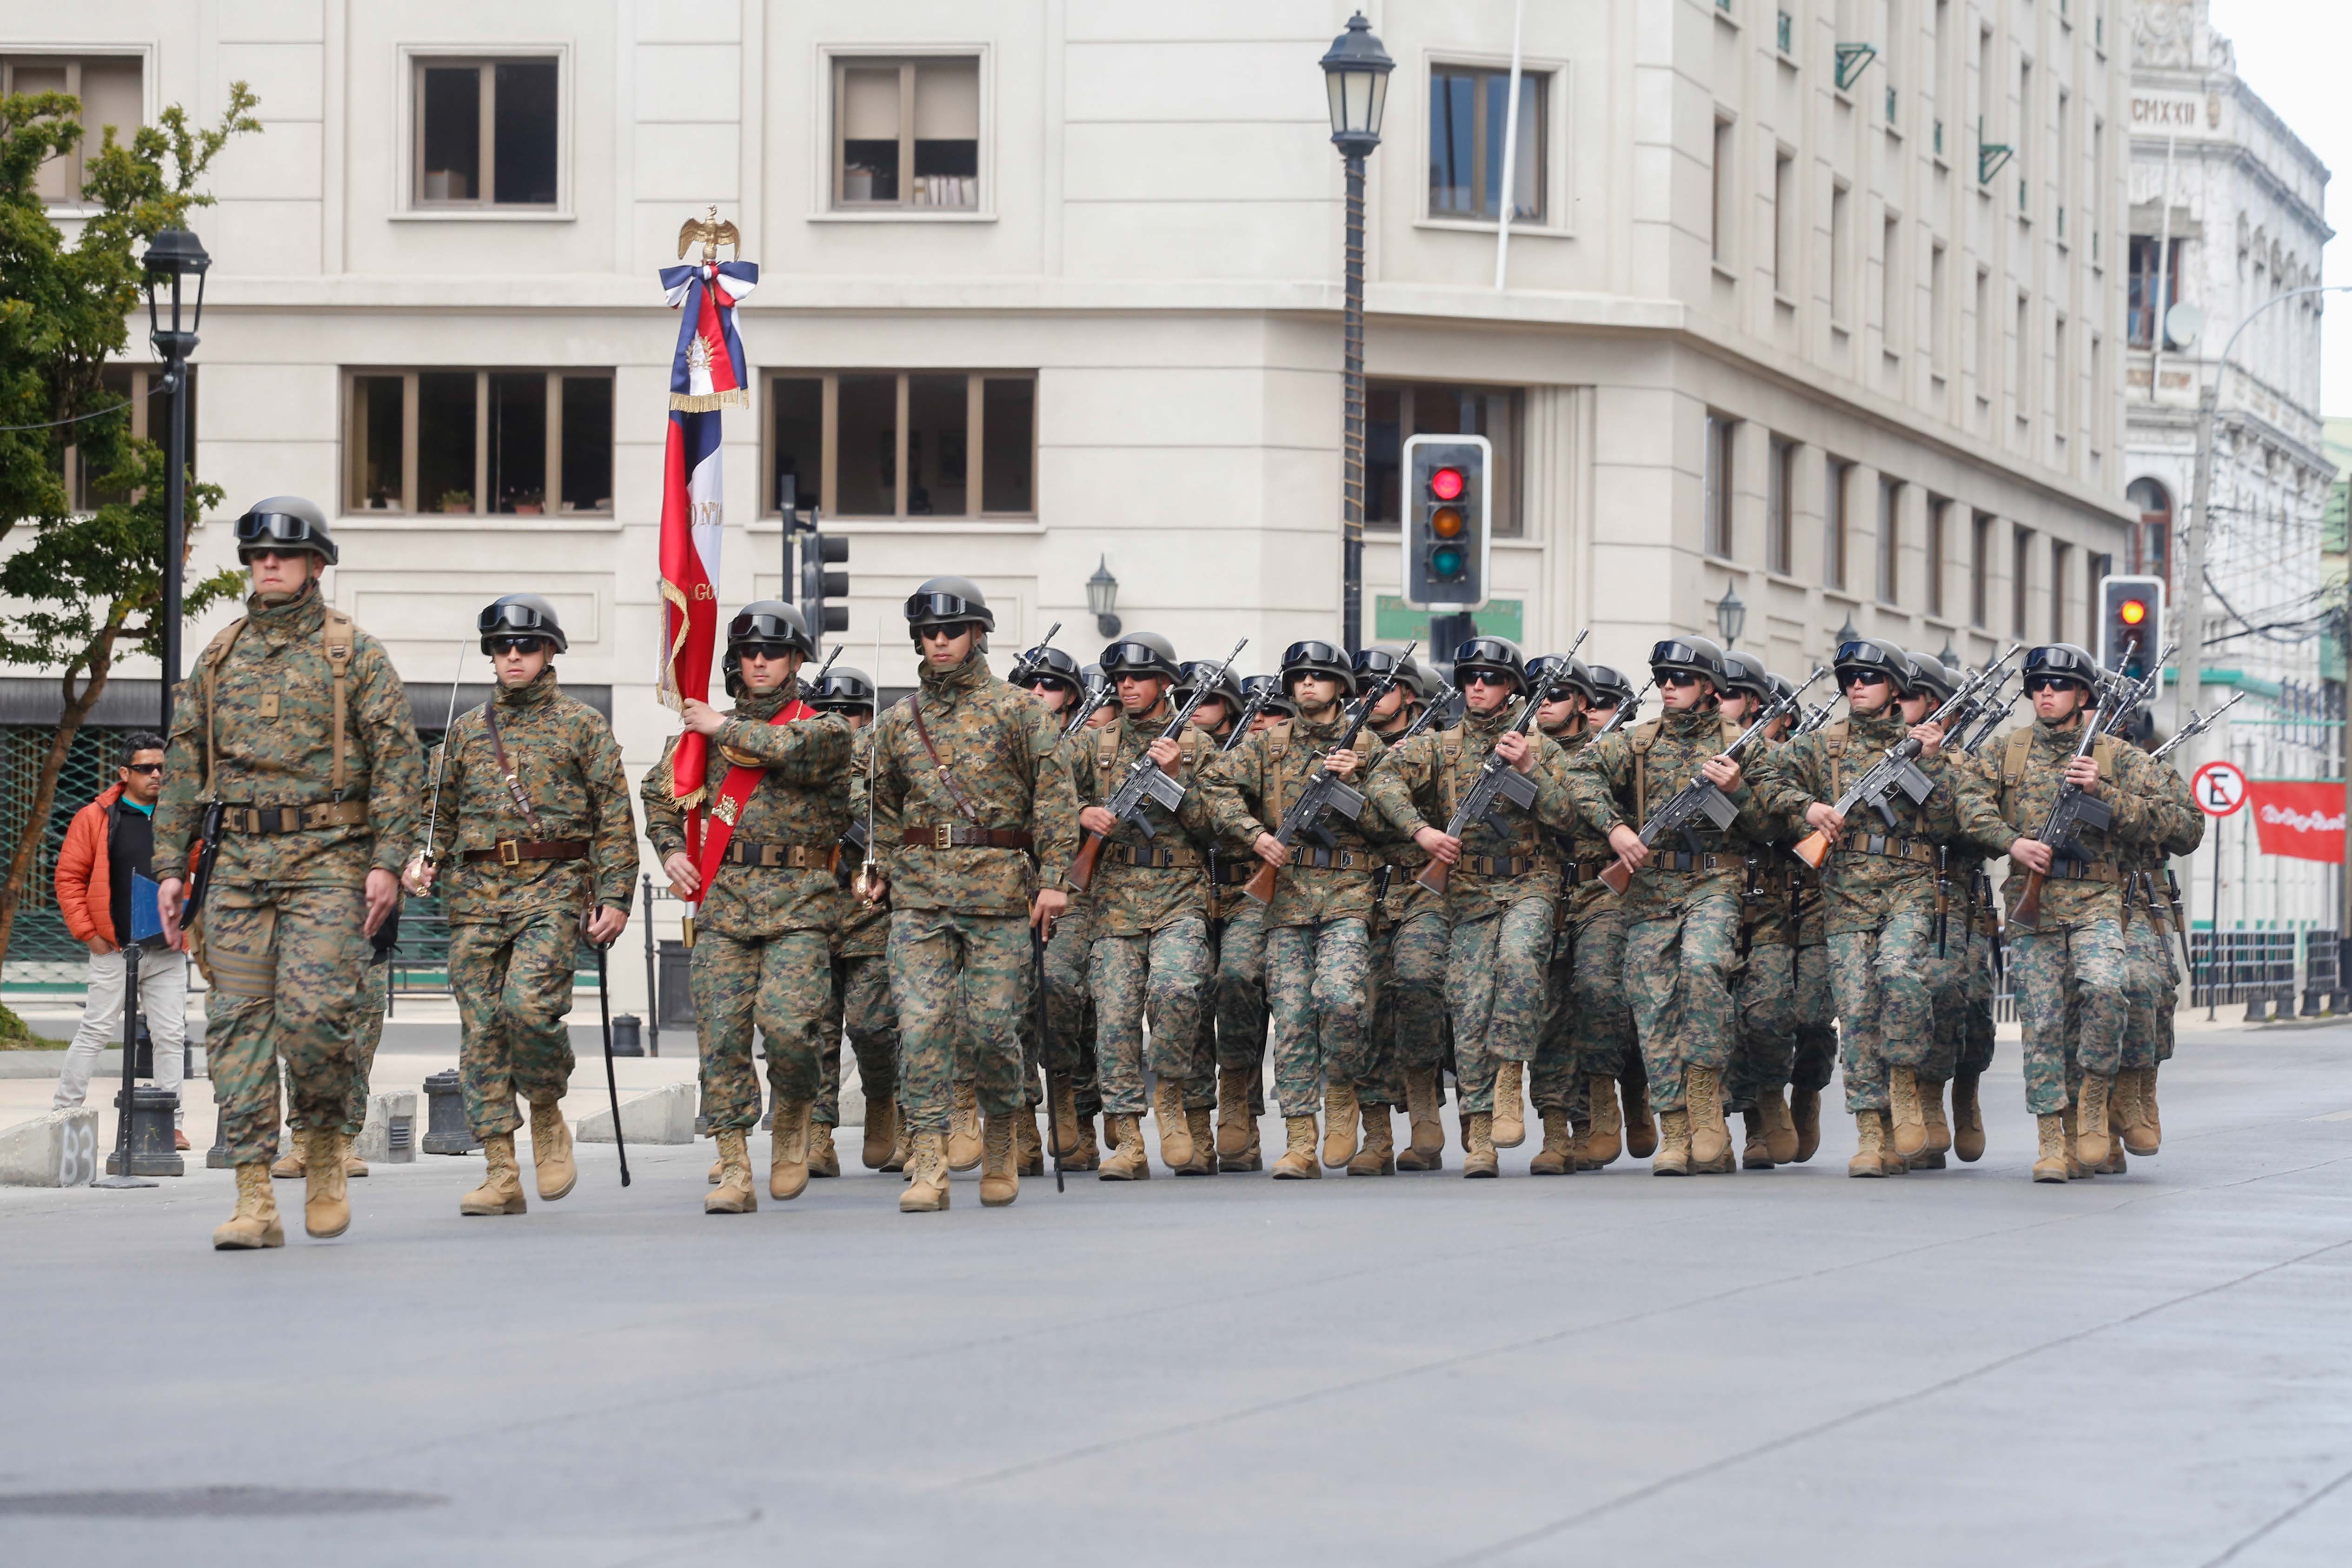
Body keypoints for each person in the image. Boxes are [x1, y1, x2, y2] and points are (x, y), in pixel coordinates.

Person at [157, 497, 423, 1249]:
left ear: (316, 564)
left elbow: (398, 763)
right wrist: (172, 868)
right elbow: (183, 765)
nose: (268, 563)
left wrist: (386, 862)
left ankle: (325, 1147)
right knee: (236, 1029)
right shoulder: (219, 656)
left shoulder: (354, 653)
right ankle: (254, 1198)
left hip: (327, 864)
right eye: (257, 554)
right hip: (237, 867)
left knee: (314, 1020)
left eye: (284, 552)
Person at [404, 596, 635, 1215]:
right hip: (476, 897)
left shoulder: (582, 725)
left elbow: (614, 819)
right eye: (502, 646)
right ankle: (501, 1170)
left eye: (526, 645)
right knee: (482, 1030)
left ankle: (546, 1108)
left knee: (528, 1010)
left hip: (552, 889)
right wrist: (422, 857)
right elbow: (436, 813)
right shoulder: (465, 732)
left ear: (549, 651)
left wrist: (615, 895)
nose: (513, 655)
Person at [1750, 638, 2008, 1177]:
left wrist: (1935, 765)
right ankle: (1874, 1132)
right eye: (1850, 678)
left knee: (1900, 975)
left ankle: (1907, 1084)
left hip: (1911, 890)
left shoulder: (1931, 749)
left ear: (1895, 687)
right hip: (1846, 896)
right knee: (1859, 1011)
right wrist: (1808, 808)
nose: (1857, 686)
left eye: (1869, 677)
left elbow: (1956, 824)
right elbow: (1764, 779)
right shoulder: (1822, 746)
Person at [864, 578, 1077, 1211]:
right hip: (920, 897)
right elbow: (875, 799)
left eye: (951, 631)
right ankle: (928, 1163)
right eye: (929, 632)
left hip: (998, 896)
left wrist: (1054, 881)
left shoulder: (1019, 711)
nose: (939, 641)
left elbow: (1055, 798)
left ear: (977, 634)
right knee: (921, 1028)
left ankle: (1002, 1138)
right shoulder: (898, 722)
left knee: (992, 1030)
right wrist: (880, 864)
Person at [643, 602, 853, 1214]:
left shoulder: (826, 730)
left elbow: (789, 750)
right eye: (748, 653)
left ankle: (793, 1115)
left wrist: (718, 728)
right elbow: (660, 797)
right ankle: (734, 1166)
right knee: (721, 1038)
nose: (760, 662)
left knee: (791, 1029)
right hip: (725, 904)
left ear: (796, 662)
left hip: (800, 905)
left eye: (773, 652)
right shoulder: (700, 736)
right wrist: (671, 851)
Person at [1559, 637, 1768, 1176]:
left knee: (1703, 967)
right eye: (1663, 678)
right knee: (1653, 1004)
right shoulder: (1637, 743)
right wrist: (1616, 828)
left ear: (1709, 687)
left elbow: (1776, 821)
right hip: (1651, 891)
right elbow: (1578, 776)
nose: (1669, 687)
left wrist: (1739, 790)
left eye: (1681, 678)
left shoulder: (1741, 744)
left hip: (1714, 883)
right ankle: (1675, 1128)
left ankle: (1706, 1104)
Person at [1374, 637, 1577, 1178]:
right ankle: (1481, 1131)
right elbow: (1382, 780)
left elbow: (1570, 818)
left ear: (1512, 687)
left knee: (1520, 959)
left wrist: (1529, 768)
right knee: (1468, 1004)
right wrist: (1421, 832)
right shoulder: (1440, 747)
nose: (1479, 686)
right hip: (1466, 892)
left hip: (1531, 882)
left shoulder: (1542, 748)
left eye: (1491, 677)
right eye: (1470, 677)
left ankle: (1510, 1075)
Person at [1196, 640, 1397, 1178]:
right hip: (1285, 899)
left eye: (1319, 675)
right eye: (1300, 676)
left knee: (1341, 1000)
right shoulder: (1270, 744)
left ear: (1340, 687)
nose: (1308, 683)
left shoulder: (1368, 747)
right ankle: (1300, 1139)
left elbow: (1392, 825)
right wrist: (1254, 835)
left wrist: (1357, 785)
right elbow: (1212, 785)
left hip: (1348, 894)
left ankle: (1342, 1093)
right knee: (1291, 1020)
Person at [1984, 644, 2163, 1182]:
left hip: (2096, 903)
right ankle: (2051, 1141)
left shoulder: (2117, 757)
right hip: (2034, 907)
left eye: (2059, 685)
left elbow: (2180, 824)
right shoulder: (2005, 752)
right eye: (2038, 684)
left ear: (2083, 695)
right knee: (2043, 1024)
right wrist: (2011, 842)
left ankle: (2094, 1101)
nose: (2047, 692)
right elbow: (1962, 805)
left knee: (2108, 990)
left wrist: (2102, 793)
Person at [1072, 633, 1223, 1178]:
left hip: (1179, 896)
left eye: (1138, 677)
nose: (1127, 686)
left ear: (1165, 683)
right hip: (1113, 900)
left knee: (1177, 992)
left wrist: (1178, 777)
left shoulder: (1197, 746)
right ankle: (1129, 1140)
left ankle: (1171, 1094)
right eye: (1120, 679)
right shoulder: (1094, 745)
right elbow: (1046, 802)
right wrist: (1081, 814)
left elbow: (1216, 828)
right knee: (1114, 1018)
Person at [53, 732, 188, 1147]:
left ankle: (171, 1123)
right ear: (125, 773)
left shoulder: (179, 817)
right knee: (95, 1031)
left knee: (171, 1035)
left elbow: (203, 867)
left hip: (167, 950)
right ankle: (63, 1116)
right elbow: (69, 878)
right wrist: (89, 934)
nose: (157, 775)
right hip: (114, 948)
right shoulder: (96, 817)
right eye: (147, 768)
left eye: (162, 768)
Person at [1356, 645, 1451, 1170]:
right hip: (1360, 891)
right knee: (1365, 1005)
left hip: (1422, 890)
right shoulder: (1342, 747)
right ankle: (1376, 1135)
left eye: (1382, 687)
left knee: (1417, 986)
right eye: (1361, 689)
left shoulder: (1436, 748)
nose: (1369, 697)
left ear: (1409, 695)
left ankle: (1422, 1107)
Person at [1712, 651, 1803, 1169]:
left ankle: (1769, 1095)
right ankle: (1728, 1127)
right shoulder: (1682, 752)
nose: (1718, 701)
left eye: (1728, 694)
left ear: (1753, 703)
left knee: (1767, 1017)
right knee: (1713, 1022)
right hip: (1702, 903)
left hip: (1765, 908)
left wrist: (1739, 792)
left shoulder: (1777, 759)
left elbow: (1784, 827)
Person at [1563, 663, 1656, 1163]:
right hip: (1549, 889)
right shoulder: (1543, 752)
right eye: (1588, 703)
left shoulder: (1631, 755)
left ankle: (1627, 1095)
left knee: (1603, 994)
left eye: (1603, 704)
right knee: (1564, 1011)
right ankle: (1577, 1123)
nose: (1593, 712)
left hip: (1609, 892)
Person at [811, 664, 903, 1172]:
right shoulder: (801, 759)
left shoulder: (883, 760)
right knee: (816, 1032)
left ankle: (882, 1101)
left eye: (849, 711)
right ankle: (817, 1135)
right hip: (812, 913)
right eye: (827, 710)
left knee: (872, 1027)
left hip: (870, 915)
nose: (839, 720)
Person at [1020, 644, 1106, 1171]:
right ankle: (1021, 1123)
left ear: (1072, 696)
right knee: (1008, 1007)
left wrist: (1086, 811)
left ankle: (1070, 1098)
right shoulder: (1002, 740)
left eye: (1049, 685)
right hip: (1007, 891)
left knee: (1060, 992)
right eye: (1029, 684)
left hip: (1072, 894)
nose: (1037, 692)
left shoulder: (1090, 747)